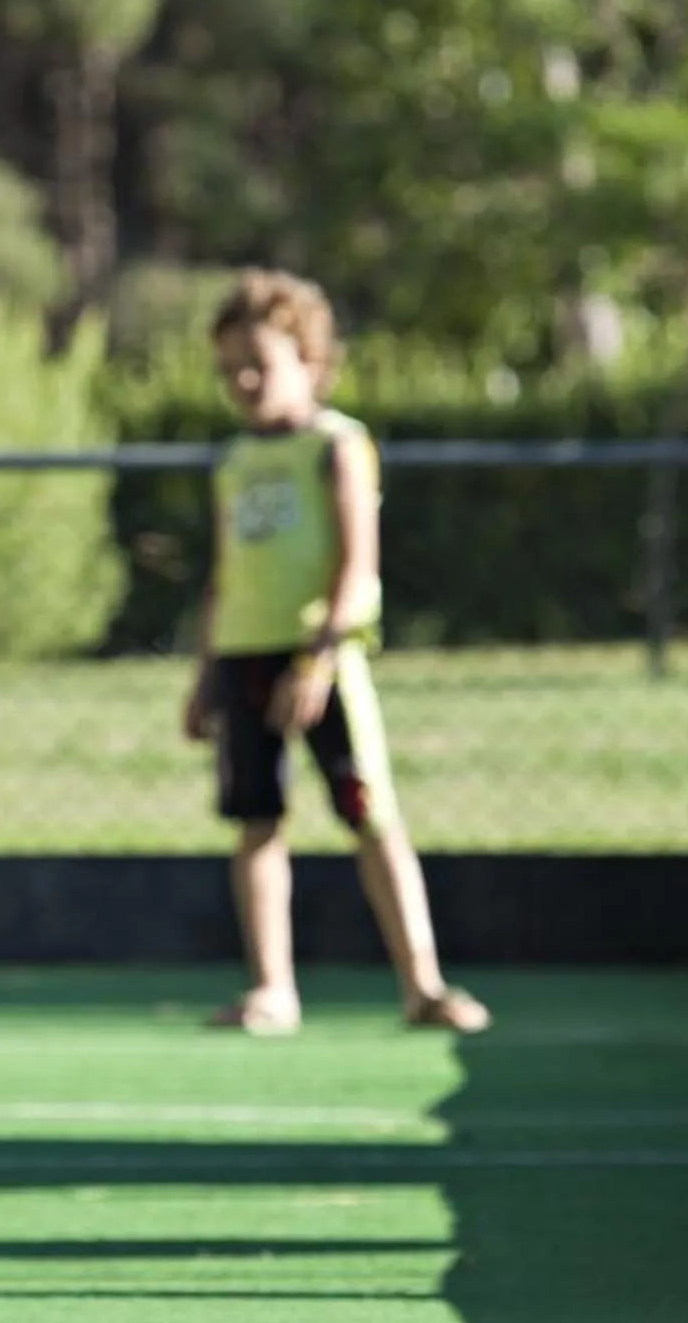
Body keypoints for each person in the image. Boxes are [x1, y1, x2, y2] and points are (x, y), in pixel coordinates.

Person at [184, 269, 489, 1037]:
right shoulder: (232, 463)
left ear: (310, 362)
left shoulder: (337, 447)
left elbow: (357, 568)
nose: (245, 382)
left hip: (322, 658)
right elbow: (225, 575)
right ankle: (271, 990)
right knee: (257, 825)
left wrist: (318, 660)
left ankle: (423, 986)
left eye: (260, 363)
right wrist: (204, 673)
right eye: (229, 370)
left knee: (370, 817)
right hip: (245, 658)